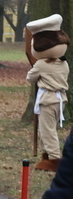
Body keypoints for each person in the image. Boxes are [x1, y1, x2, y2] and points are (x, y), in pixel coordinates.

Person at [25, 14, 69, 172]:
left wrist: (34, 68)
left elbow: (30, 78)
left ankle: (54, 159)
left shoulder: (41, 64)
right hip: (60, 99)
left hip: (48, 99)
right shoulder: (63, 63)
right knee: (49, 128)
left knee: (47, 130)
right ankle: (47, 156)